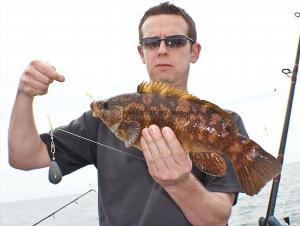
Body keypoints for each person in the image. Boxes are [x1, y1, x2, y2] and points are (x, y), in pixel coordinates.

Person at [8, 2, 248, 226]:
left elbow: (217, 218)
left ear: (194, 51)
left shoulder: (224, 124)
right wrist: (24, 95)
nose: (162, 50)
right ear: (141, 52)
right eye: (152, 42)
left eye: (175, 41)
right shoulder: (99, 122)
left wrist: (180, 184)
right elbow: (24, 157)